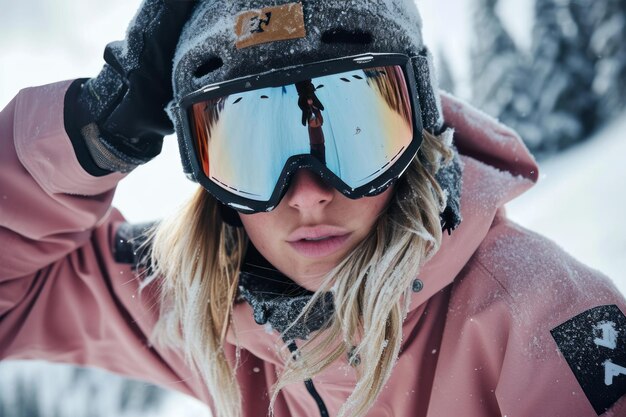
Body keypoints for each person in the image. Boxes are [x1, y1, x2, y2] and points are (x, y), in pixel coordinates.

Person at [1, 1, 625, 417]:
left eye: (354, 132)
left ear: (416, 133)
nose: (306, 192)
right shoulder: (211, 312)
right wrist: (94, 129)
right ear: (205, 173)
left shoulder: (547, 322)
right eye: (251, 148)